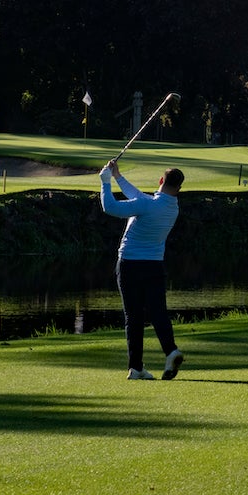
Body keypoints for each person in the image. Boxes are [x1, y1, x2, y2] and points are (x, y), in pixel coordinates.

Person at [98, 160, 185, 380]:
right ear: (178, 188)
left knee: (133, 317)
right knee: (158, 312)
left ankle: (135, 367)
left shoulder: (147, 205)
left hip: (129, 265)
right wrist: (118, 176)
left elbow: (110, 207)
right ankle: (170, 351)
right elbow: (138, 197)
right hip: (154, 266)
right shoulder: (172, 207)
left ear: (160, 180)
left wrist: (105, 181)